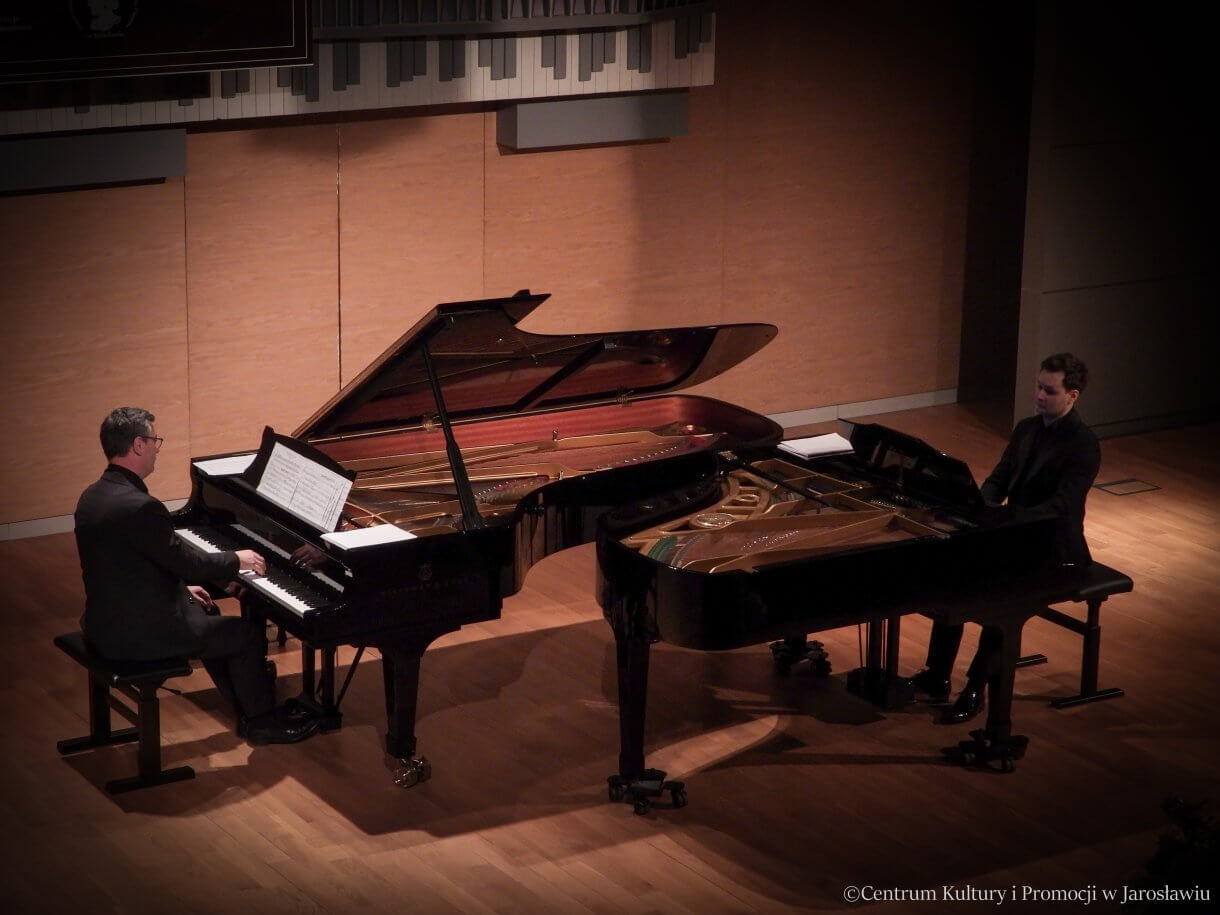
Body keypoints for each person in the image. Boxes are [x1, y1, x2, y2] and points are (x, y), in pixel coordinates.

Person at [74, 407, 319, 745]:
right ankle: (262, 722)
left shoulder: (94, 495)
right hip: (137, 635)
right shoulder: (140, 506)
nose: (158, 448)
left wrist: (180, 587)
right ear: (138, 445)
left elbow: (125, 565)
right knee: (245, 635)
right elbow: (188, 562)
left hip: (103, 622)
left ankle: (246, 708)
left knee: (205, 610)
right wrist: (237, 559)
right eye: (154, 440)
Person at [910, 353, 1101, 723]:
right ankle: (936, 676)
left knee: (1002, 599)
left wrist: (1007, 520)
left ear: (1072, 396)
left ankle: (976, 687)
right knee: (952, 574)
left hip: (1055, 548)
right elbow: (999, 478)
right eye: (1038, 387)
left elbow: (1061, 506)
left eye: (1049, 390)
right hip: (1016, 534)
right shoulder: (1026, 428)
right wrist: (979, 508)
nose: (1040, 395)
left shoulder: (1084, 445)